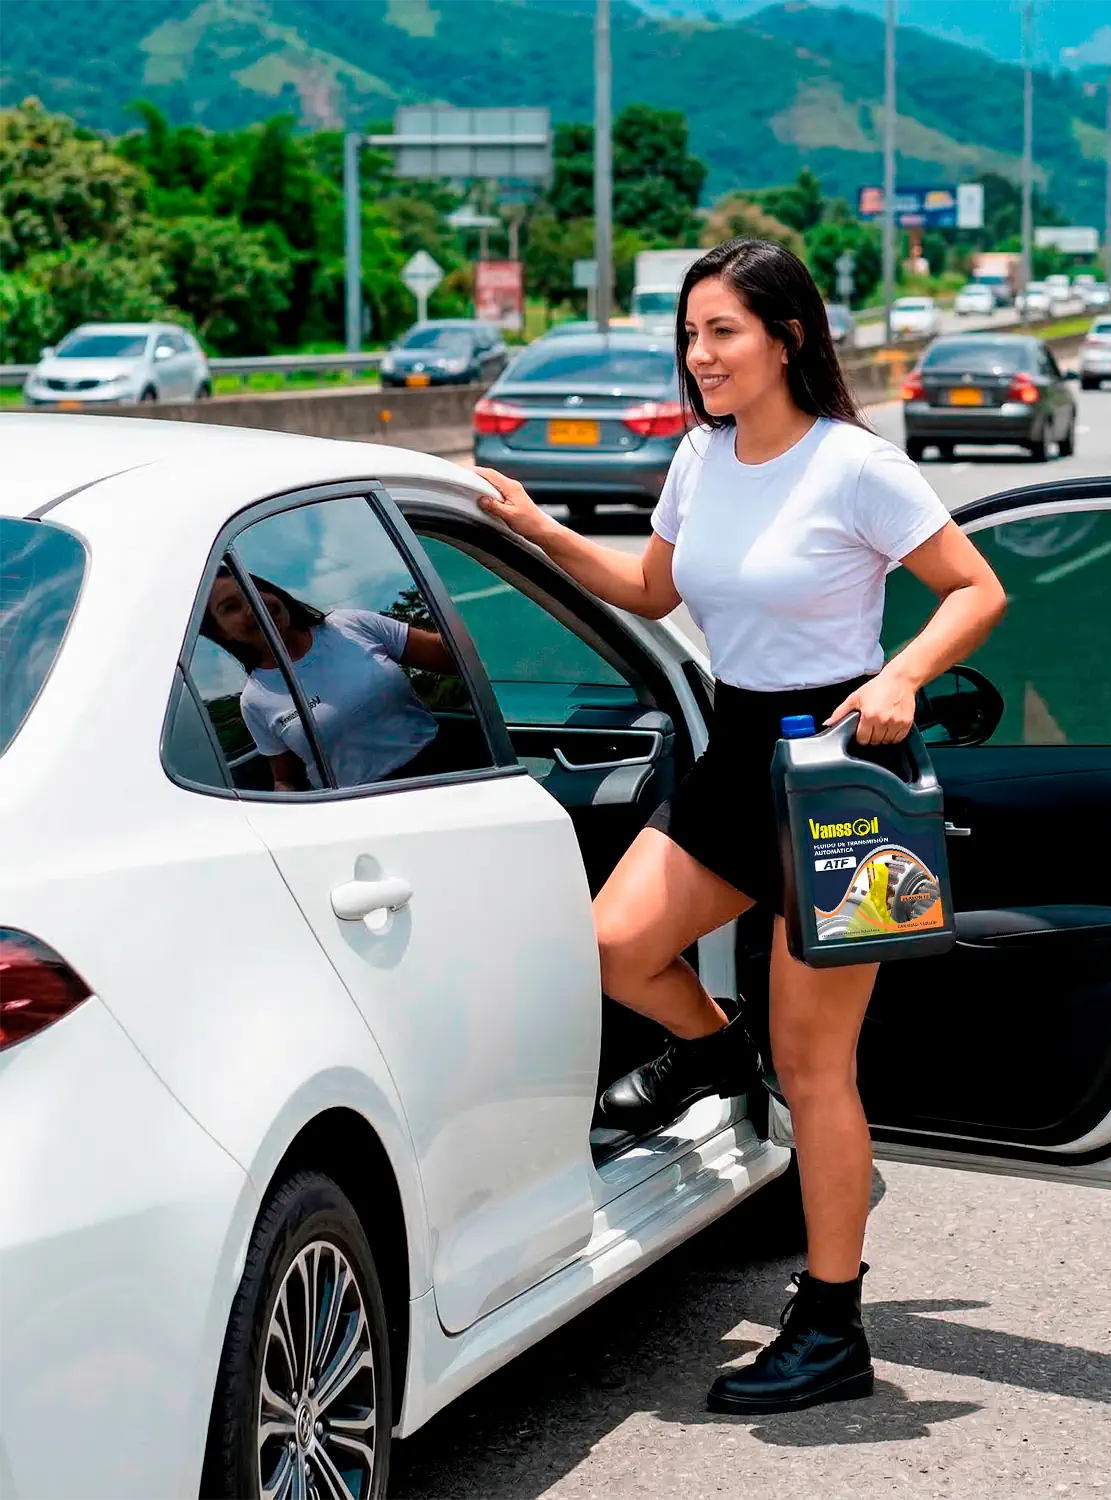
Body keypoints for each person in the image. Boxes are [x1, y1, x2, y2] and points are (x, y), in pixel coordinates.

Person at [473, 237, 1006, 1415]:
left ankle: (831, 1324)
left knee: (820, 1070)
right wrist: (536, 530)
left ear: (789, 337)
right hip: (734, 754)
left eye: (723, 332)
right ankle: (717, 1058)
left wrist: (905, 676)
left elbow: (977, 588)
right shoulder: (702, 459)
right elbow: (653, 593)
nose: (701, 356)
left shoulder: (856, 465)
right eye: (692, 334)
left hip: (847, 774)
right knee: (614, 944)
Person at [201, 567, 458, 791]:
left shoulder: (350, 626)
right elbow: (286, 778)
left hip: (448, 775)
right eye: (231, 607)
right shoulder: (255, 700)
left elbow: (454, 656)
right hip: (361, 810)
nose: (252, 607)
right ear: (223, 633)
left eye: (253, 591)